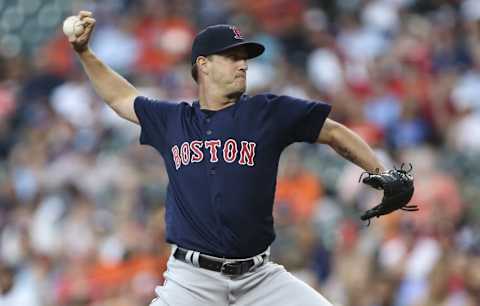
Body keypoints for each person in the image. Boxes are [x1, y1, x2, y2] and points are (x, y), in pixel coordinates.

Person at [68, 10, 388, 306]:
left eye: (245, 58)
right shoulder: (173, 120)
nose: (243, 64)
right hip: (192, 282)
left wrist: (383, 173)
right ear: (203, 64)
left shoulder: (266, 112)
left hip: (259, 278)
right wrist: (85, 53)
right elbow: (121, 97)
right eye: (233, 56)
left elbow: (333, 132)